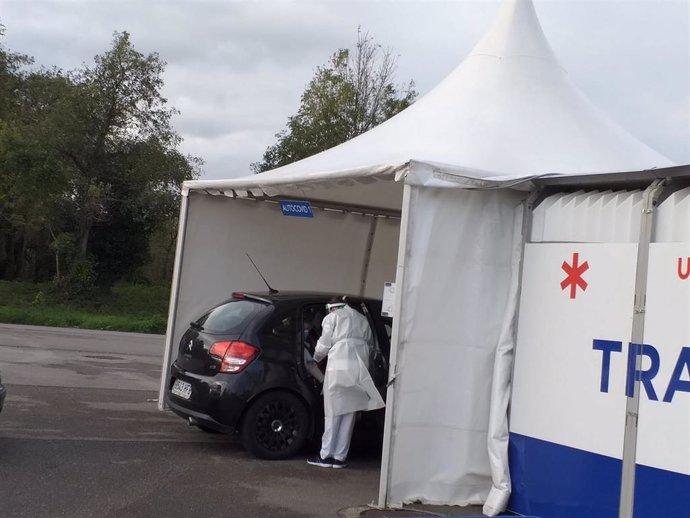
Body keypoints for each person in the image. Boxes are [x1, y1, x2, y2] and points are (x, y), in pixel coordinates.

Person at [307, 296, 385, 469]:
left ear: (332, 307)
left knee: (333, 411)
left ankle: (326, 455)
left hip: (338, 367)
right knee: (349, 411)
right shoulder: (362, 319)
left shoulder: (332, 317)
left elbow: (324, 343)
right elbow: (371, 345)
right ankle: (340, 458)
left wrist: (315, 359)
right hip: (359, 368)